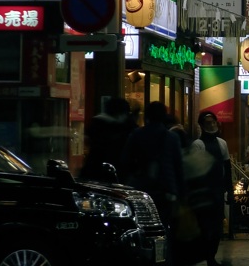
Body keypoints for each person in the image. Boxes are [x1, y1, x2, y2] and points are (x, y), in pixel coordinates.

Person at [119, 102, 185, 261]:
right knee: (164, 228)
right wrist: (181, 192)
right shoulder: (172, 137)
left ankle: (145, 257)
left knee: (141, 227)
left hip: (141, 189)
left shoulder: (136, 135)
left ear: (146, 116)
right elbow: (179, 167)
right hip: (166, 190)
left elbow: (125, 162)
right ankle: (163, 258)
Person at [191, 111, 232, 266]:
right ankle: (207, 256)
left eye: (213, 122)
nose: (212, 125)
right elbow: (196, 170)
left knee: (216, 226)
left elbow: (227, 167)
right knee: (205, 226)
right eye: (208, 123)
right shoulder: (198, 145)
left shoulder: (222, 143)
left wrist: (229, 189)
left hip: (218, 191)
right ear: (201, 125)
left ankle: (211, 256)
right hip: (203, 192)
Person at [79, 96, 134, 182]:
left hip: (91, 171)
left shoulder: (95, 123)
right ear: (121, 113)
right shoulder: (120, 129)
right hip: (112, 175)